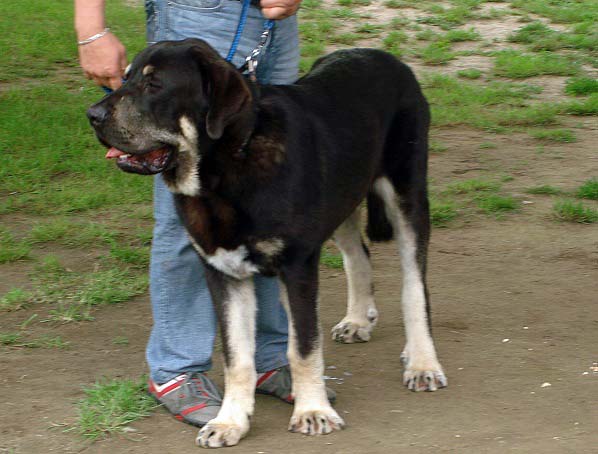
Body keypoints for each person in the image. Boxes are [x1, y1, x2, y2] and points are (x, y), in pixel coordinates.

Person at [75, 0, 332, 428]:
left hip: (275, 20)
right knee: (191, 212)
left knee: (272, 200)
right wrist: (90, 27)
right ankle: (179, 369)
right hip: (200, 11)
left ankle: (270, 357)